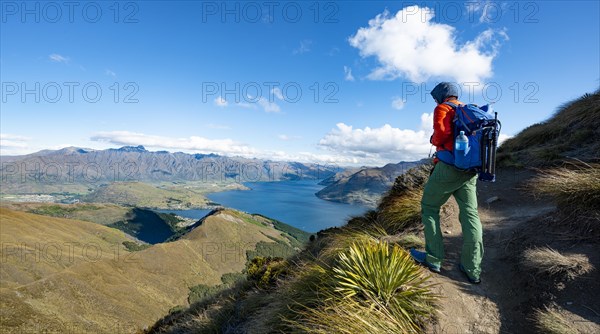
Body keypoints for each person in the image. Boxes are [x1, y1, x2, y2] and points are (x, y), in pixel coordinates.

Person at [410, 82, 483, 284]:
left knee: (429, 206)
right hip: (470, 170)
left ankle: (434, 259)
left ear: (442, 95)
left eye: (436, 97)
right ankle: (472, 268)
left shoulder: (443, 108)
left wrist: (433, 139)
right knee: (470, 214)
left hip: (449, 167)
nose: (435, 101)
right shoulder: (470, 111)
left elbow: (441, 135)